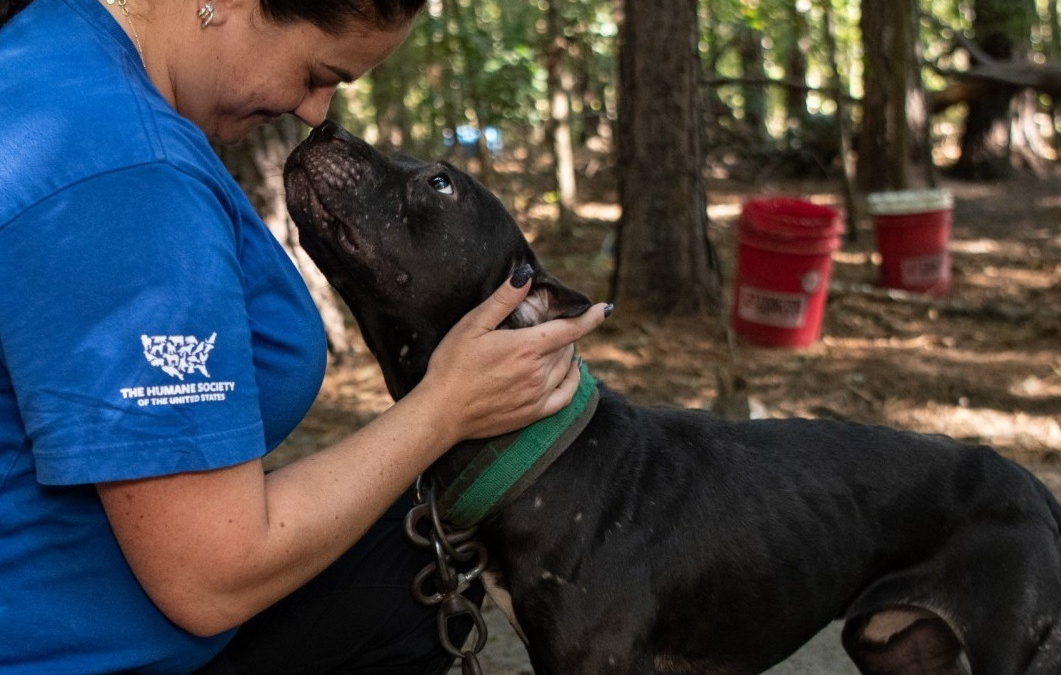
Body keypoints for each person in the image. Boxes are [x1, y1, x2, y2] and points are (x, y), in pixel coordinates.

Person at [0, 0, 608, 673]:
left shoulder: (52, 48)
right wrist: (445, 409)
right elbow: (212, 576)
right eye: (319, 73)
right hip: (77, 653)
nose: (316, 111)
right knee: (419, 563)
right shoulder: (131, 178)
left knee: (400, 538)